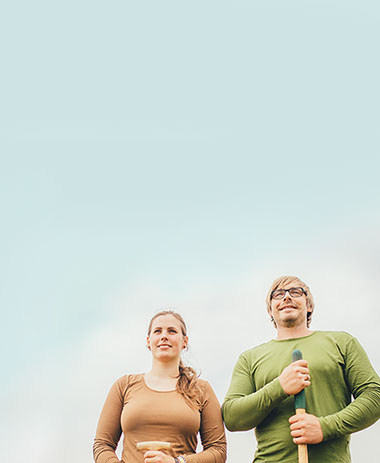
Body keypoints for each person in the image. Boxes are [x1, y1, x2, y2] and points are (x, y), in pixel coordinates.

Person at [222, 275, 380, 462]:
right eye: (278, 294)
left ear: (309, 305)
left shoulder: (342, 343)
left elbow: (374, 395)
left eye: (296, 292)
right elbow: (232, 417)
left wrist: (325, 427)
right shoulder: (249, 358)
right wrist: (279, 387)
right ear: (270, 310)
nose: (287, 297)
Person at [93, 310, 226, 463]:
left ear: (185, 341)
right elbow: (102, 444)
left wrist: (178, 462)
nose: (164, 336)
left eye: (172, 331)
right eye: (158, 331)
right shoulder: (124, 385)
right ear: (148, 341)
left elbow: (218, 450)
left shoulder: (201, 389)